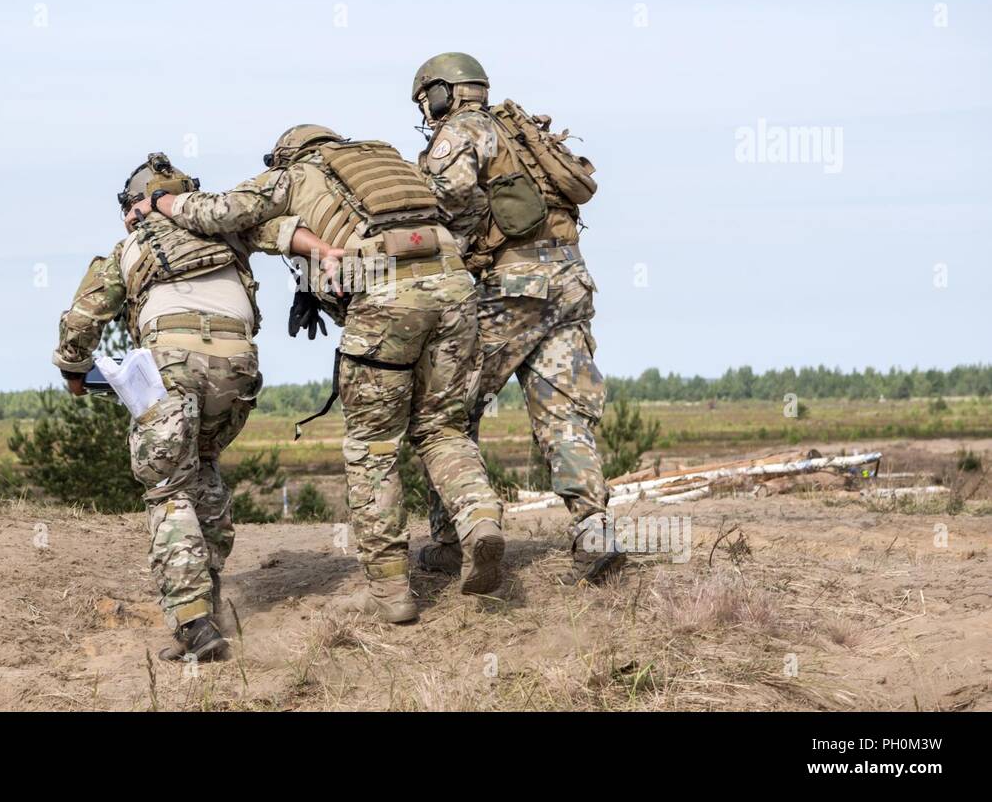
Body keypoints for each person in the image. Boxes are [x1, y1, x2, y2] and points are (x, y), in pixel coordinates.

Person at [131, 126, 506, 622]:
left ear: (289, 153)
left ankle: (391, 592)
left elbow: (215, 212)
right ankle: (479, 519)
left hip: (386, 298)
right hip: (455, 290)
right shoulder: (390, 163)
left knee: (373, 448)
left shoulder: (295, 174)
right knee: (443, 429)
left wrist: (161, 202)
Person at [53, 152, 331, 661]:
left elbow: (80, 323)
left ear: (136, 206)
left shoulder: (128, 249)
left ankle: (193, 622)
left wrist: (73, 372)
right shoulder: (224, 228)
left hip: (171, 366)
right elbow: (286, 233)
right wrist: (328, 254)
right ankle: (213, 601)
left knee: (168, 486)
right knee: (202, 466)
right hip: (238, 368)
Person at [409, 53, 623, 583]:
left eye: (424, 100)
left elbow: (447, 202)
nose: (424, 111)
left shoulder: (462, 132)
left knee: (447, 410)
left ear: (442, 93)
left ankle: (455, 538)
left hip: (515, 286)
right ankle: (593, 531)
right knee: (562, 412)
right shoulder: (520, 129)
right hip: (571, 281)